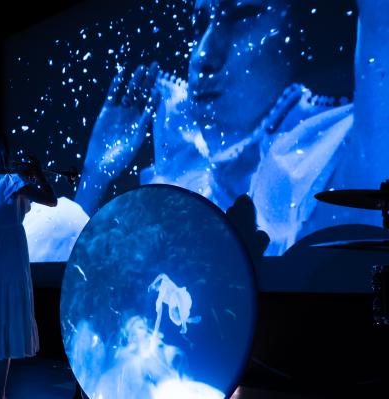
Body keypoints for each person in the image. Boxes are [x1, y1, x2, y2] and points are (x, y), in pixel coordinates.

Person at [73, 0, 389, 255]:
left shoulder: (343, 171)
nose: (202, 56)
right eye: (200, 24)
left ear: (300, 33)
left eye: (243, 14)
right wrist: (94, 175)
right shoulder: (183, 192)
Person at [0, 131, 57, 399]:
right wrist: (38, 172)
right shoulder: (12, 181)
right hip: (12, 252)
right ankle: (0, 393)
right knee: (6, 318)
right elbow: (50, 200)